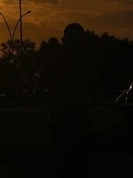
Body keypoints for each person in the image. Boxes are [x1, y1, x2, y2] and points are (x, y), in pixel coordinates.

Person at [36, 23, 99, 177]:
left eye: (75, 40)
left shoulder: (86, 66)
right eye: (70, 40)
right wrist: (55, 105)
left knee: (80, 165)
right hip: (61, 122)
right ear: (64, 41)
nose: (72, 43)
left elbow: (95, 92)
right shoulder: (52, 65)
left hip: (79, 121)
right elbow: (38, 91)